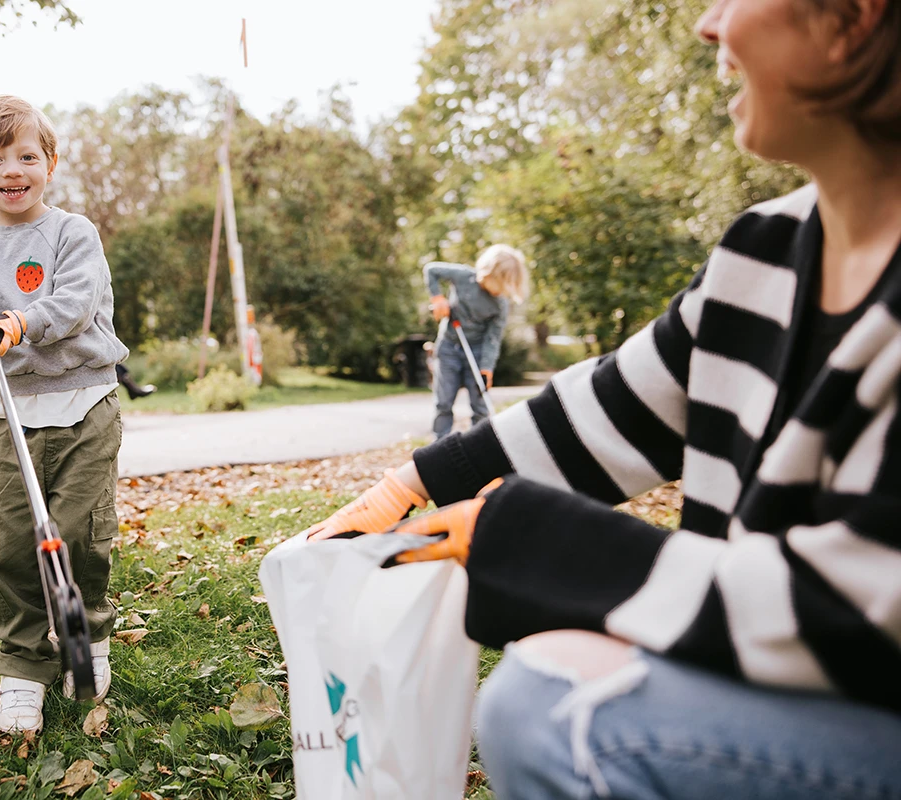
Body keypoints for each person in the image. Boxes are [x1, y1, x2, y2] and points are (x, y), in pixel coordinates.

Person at [305, 0, 901, 795]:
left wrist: (532, 542)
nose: (707, 25)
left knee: (549, 702)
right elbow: (613, 408)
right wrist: (409, 488)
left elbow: (856, 610)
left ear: (853, 18)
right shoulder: (763, 252)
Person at [0, 94, 129, 734]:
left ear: (50, 163)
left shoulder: (73, 232)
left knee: (78, 533)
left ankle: (85, 641)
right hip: (5, 414)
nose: (12, 170)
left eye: (26, 157)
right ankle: (21, 670)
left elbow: (71, 303)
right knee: (12, 542)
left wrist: (19, 324)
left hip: (84, 403)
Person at [423, 245, 528, 438]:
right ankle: (439, 445)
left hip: (478, 352)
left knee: (480, 407)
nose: (503, 291)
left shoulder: (500, 304)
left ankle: (481, 446)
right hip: (448, 346)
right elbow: (431, 269)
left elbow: (492, 338)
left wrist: (487, 367)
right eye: (502, 284)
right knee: (443, 402)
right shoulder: (464, 276)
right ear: (489, 274)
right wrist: (438, 298)